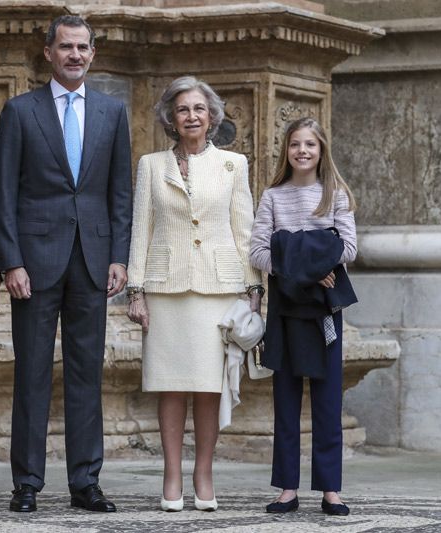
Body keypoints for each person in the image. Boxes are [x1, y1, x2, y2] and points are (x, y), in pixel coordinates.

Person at [0, 15, 132, 513]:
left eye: (83, 48)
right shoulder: (20, 111)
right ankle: (26, 482)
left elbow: (119, 192)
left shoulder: (113, 112)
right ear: (48, 52)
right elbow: (2, 194)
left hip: (93, 261)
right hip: (35, 261)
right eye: (66, 47)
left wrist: (119, 256)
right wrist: (11, 262)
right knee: (30, 372)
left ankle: (85, 483)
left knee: (86, 374)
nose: (75, 55)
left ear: (93, 54)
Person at [125, 76, 261, 512]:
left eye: (199, 109)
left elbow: (244, 229)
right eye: (183, 109)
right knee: (170, 386)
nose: (191, 116)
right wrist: (136, 290)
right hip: (166, 287)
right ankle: (171, 474)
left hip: (218, 287)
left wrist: (253, 289)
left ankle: (204, 472)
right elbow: (141, 229)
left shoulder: (233, 165)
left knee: (209, 387)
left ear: (212, 116)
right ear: (170, 116)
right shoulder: (150, 165)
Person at [249, 117, 357, 516]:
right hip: (286, 308)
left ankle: (331, 489)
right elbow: (259, 252)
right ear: (287, 150)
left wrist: (293, 249)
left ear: (321, 150)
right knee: (286, 397)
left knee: (327, 397)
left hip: (324, 307)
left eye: (310, 144)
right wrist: (310, 261)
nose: (303, 151)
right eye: (296, 144)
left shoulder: (335, 194)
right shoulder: (273, 196)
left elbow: (347, 248)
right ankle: (287, 488)